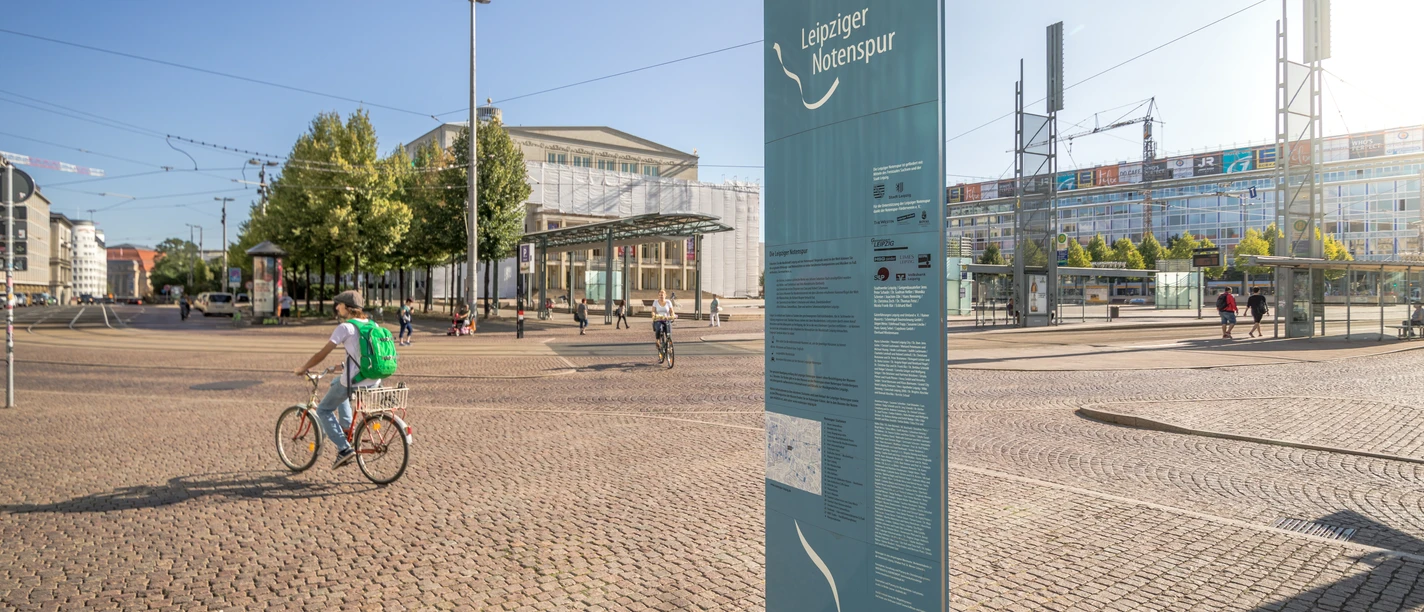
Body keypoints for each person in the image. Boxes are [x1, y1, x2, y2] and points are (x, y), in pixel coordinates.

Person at [292, 291, 383, 469]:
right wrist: (343, 365)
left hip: (354, 381)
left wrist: (303, 368)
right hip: (374, 379)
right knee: (336, 383)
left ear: (347, 308)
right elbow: (365, 354)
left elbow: (322, 353)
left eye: (339, 304)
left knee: (324, 410)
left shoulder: (345, 327)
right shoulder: (372, 324)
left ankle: (344, 449)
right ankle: (346, 425)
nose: (336, 307)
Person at [651, 289, 675, 363]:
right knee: (659, 328)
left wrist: (672, 315)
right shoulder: (655, 302)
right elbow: (653, 311)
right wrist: (654, 315)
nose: (661, 296)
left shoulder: (668, 302)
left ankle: (669, 346)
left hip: (666, 320)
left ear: (665, 295)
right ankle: (658, 340)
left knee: (669, 333)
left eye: (663, 295)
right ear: (658, 295)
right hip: (658, 320)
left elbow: (671, 311)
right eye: (660, 295)